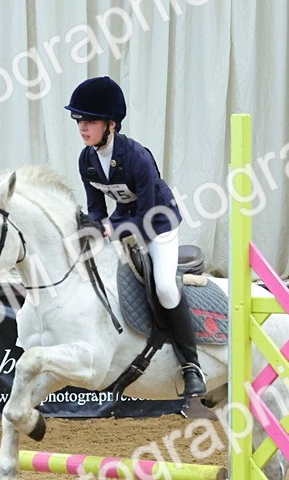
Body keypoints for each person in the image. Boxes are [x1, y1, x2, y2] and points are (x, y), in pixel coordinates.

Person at [65, 76, 206, 398]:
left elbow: (145, 216)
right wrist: (90, 227)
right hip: (126, 218)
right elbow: (97, 209)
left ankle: (191, 366)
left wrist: (110, 230)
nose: (82, 128)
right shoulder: (86, 159)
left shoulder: (137, 157)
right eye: (79, 121)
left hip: (158, 222)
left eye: (90, 121)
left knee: (167, 288)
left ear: (111, 124)